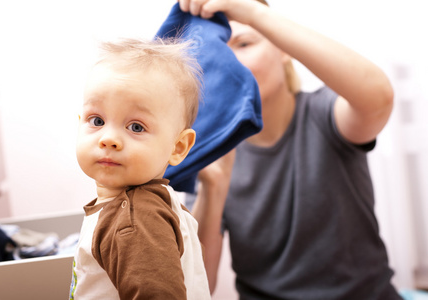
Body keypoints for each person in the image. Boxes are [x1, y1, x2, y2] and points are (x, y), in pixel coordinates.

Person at [178, 0, 402, 299]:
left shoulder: (325, 115)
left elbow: (379, 97)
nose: (231, 62)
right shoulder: (208, 155)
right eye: (220, 52)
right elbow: (196, 286)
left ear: (283, 49)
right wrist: (214, 187)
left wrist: (255, 13)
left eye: (244, 43)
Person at [70, 37, 211, 299]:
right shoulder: (151, 204)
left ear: (178, 147)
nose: (108, 138)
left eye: (136, 126)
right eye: (97, 120)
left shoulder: (135, 220)